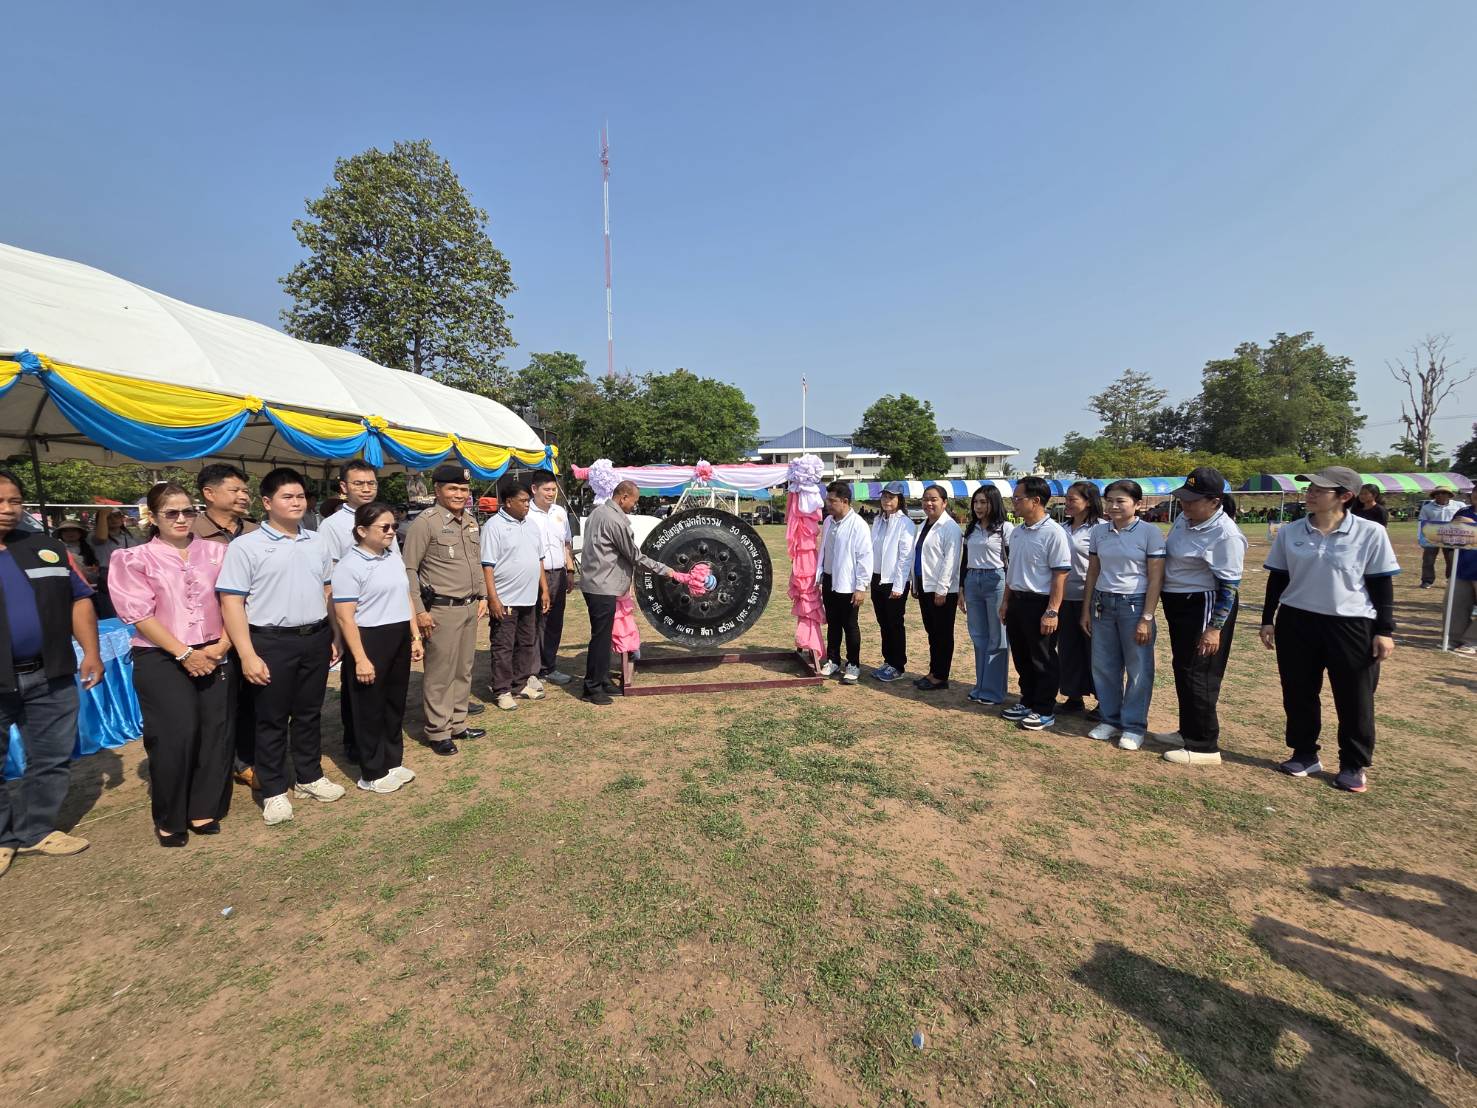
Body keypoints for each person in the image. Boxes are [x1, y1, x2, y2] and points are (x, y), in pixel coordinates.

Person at [217, 467, 346, 825]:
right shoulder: (246, 546)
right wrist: (246, 654)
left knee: (308, 713)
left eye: (301, 496)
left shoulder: (317, 541)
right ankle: (273, 790)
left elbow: (326, 590)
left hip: (315, 637)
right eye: (287, 497)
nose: (296, 503)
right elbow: (231, 603)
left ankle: (309, 777)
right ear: (267, 502)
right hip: (270, 642)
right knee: (270, 719)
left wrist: (334, 634)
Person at [1259, 467, 1400, 793]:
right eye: (1309, 488)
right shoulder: (1291, 531)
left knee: (1354, 697)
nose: (1309, 494)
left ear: (1345, 496)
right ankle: (1304, 753)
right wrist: (1268, 619)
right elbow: (1277, 577)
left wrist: (1385, 630)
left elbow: (1381, 585)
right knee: (1298, 692)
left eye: (1319, 490)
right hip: (1296, 621)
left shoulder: (1370, 533)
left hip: (1350, 624)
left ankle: (1354, 763)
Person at [109, 482, 235, 845]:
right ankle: (170, 816)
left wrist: (223, 644)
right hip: (160, 655)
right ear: (154, 516)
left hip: (216, 650)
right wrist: (184, 653)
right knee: (175, 735)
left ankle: (203, 806)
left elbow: (234, 600)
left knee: (216, 732)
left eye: (188, 511)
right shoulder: (133, 559)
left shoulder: (217, 553)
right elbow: (138, 614)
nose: (182, 519)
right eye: (171, 513)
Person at [0, 470, 103, 876]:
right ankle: (3, 838)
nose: (8, 510)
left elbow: (79, 600)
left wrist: (91, 651)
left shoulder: (46, 548)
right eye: (0, 501)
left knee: (51, 757)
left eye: (14, 501)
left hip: (51, 673)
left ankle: (37, 829)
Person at [330, 501, 424, 794]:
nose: (391, 532)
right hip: (369, 637)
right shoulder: (349, 565)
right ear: (361, 530)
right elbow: (345, 617)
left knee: (394, 702)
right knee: (368, 706)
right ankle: (371, 770)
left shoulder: (391, 557)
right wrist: (359, 658)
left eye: (394, 526)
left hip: (397, 634)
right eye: (384, 527)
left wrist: (414, 635)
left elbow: (406, 596)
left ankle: (392, 760)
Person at [1158, 467, 1247, 766]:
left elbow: (1229, 586)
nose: (1185, 505)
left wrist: (1214, 628)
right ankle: (1188, 731)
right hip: (1180, 605)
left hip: (1204, 605)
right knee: (1184, 667)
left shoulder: (1226, 534)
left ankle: (1203, 746)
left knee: (1201, 672)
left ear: (1214, 501)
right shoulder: (1186, 519)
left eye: (1193, 500)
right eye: (1184, 498)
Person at [402, 465, 488, 755]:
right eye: (452, 489)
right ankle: (438, 731)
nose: (459, 494)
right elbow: (409, 569)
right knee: (440, 673)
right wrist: (419, 611)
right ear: (437, 489)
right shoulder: (425, 523)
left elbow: (475, 562)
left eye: (464, 489)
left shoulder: (470, 522)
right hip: (440, 610)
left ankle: (458, 723)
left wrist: (484, 596)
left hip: (469, 606)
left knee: (463, 669)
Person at [1080, 480, 1165, 751]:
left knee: (1138, 668)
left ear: (1137, 505)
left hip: (1135, 604)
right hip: (1103, 604)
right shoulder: (1099, 532)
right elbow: (1093, 571)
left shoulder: (1150, 533)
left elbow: (1155, 578)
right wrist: (1086, 609)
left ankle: (1133, 726)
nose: (1114, 506)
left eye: (1121, 501)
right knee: (1104, 666)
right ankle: (1110, 719)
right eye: (1110, 500)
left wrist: (1147, 617)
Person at [193, 463, 261, 790]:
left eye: (245, 490)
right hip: (206, 636)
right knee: (217, 707)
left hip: (252, 631)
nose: (243, 496)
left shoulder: (256, 531)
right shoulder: (188, 532)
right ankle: (216, 767)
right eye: (235, 490)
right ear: (209, 493)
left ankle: (246, 761)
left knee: (252, 700)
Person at [579, 480, 675, 705]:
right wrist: (665, 570)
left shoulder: (597, 513)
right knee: (600, 639)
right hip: (603, 586)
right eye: (634, 501)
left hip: (596, 582)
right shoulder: (615, 521)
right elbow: (635, 556)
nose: (634, 505)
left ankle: (602, 679)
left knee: (603, 636)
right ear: (623, 497)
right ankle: (591, 688)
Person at [1000, 476, 1070, 729]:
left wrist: (1052, 610)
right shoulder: (1017, 532)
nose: (1014, 503)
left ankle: (1044, 708)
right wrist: (1006, 601)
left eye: (1018, 498)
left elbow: (1060, 575)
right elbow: (1012, 570)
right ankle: (1027, 700)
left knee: (1043, 658)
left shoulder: (1054, 533)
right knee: (1021, 656)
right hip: (1018, 601)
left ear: (1036, 500)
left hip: (1040, 604)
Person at [481, 477, 550, 710]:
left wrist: (545, 590)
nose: (527, 505)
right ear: (508, 502)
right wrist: (493, 598)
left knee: (526, 642)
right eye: (522, 501)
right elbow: (487, 565)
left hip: (529, 597)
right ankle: (502, 689)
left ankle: (520, 683)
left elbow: (539, 560)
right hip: (505, 598)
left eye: (528, 501)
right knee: (503, 645)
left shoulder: (531, 525)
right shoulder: (493, 526)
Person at [958, 484, 1013, 705]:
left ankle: (994, 691)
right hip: (973, 581)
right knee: (978, 636)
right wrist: (961, 588)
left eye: (984, 502)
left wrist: (1009, 595)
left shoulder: (1005, 528)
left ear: (994, 503)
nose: (978, 506)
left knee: (997, 637)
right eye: (976, 502)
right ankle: (981, 685)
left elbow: (1011, 562)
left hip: (996, 580)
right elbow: (965, 559)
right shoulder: (971, 528)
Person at [814, 481, 873, 684]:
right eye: (827, 500)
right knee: (833, 624)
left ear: (845, 501)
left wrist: (861, 587)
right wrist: (819, 574)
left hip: (849, 583)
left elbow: (865, 557)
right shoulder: (829, 521)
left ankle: (853, 664)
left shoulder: (858, 525)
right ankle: (833, 660)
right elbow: (824, 550)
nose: (828, 505)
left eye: (832, 501)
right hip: (830, 580)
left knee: (850, 625)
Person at [910, 484, 962, 691]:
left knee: (942, 633)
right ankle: (933, 671)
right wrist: (915, 583)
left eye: (933, 499)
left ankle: (941, 676)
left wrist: (942, 590)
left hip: (942, 590)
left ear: (944, 502)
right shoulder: (924, 524)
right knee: (932, 631)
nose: (928, 503)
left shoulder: (950, 528)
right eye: (925, 499)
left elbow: (950, 561)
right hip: (924, 585)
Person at [1057, 481, 1101, 715]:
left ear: (1089, 502)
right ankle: (1073, 696)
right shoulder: (1062, 528)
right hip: (1064, 598)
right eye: (1067, 499)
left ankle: (1103, 700)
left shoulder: (1100, 529)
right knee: (1069, 650)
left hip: (1091, 599)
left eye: (1073, 499)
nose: (1067, 503)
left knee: (1094, 650)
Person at [529, 472, 576, 686]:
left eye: (553, 489)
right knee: (536, 620)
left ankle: (549, 666)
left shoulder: (560, 512)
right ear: (534, 490)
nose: (550, 494)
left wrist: (570, 571)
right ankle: (533, 669)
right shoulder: (526, 513)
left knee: (555, 622)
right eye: (546, 489)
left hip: (558, 572)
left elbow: (566, 543)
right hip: (535, 574)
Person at [868, 482, 915, 682]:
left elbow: (905, 557)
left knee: (895, 623)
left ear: (899, 500)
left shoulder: (905, 523)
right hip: (877, 578)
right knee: (883, 622)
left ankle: (898, 665)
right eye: (884, 497)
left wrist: (898, 585)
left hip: (894, 580)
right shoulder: (878, 520)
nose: (887, 500)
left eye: (891, 497)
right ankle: (888, 660)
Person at [91, 507, 142, 618]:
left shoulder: (131, 535)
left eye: (117, 516)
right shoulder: (93, 536)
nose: (113, 519)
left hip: (132, 574)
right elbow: (101, 537)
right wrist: (103, 514)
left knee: (135, 610)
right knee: (112, 612)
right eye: (108, 517)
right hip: (108, 574)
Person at [1447, 485, 1477, 654]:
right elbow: (1446, 535)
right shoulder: (1463, 512)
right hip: (1463, 566)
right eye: (1476, 492)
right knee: (1455, 604)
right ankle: (1453, 638)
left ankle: (1472, 641)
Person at [1418, 489, 1458, 588]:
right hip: (1432, 536)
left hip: (1451, 536)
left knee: (1451, 560)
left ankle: (1451, 580)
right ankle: (1427, 580)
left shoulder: (1459, 505)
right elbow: (1422, 522)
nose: (1440, 495)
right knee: (1428, 559)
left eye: (1444, 493)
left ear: (1449, 494)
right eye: (1437, 493)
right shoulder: (1427, 507)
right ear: (1434, 496)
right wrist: (1421, 539)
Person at [53, 519, 99, 587]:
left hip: (90, 585)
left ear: (80, 533)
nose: (70, 533)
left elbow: (96, 568)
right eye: (65, 531)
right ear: (60, 534)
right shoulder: (56, 549)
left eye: (73, 530)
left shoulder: (90, 548)